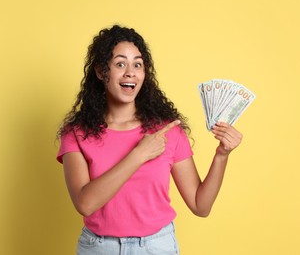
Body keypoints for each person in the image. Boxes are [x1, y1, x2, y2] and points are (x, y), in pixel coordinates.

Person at [56, 25, 242, 255]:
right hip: (99, 248)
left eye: (138, 64)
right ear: (101, 71)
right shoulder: (76, 133)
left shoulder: (167, 130)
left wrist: (222, 155)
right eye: (120, 64)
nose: (130, 72)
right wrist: (139, 154)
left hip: (156, 247)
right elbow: (85, 203)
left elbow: (200, 206)